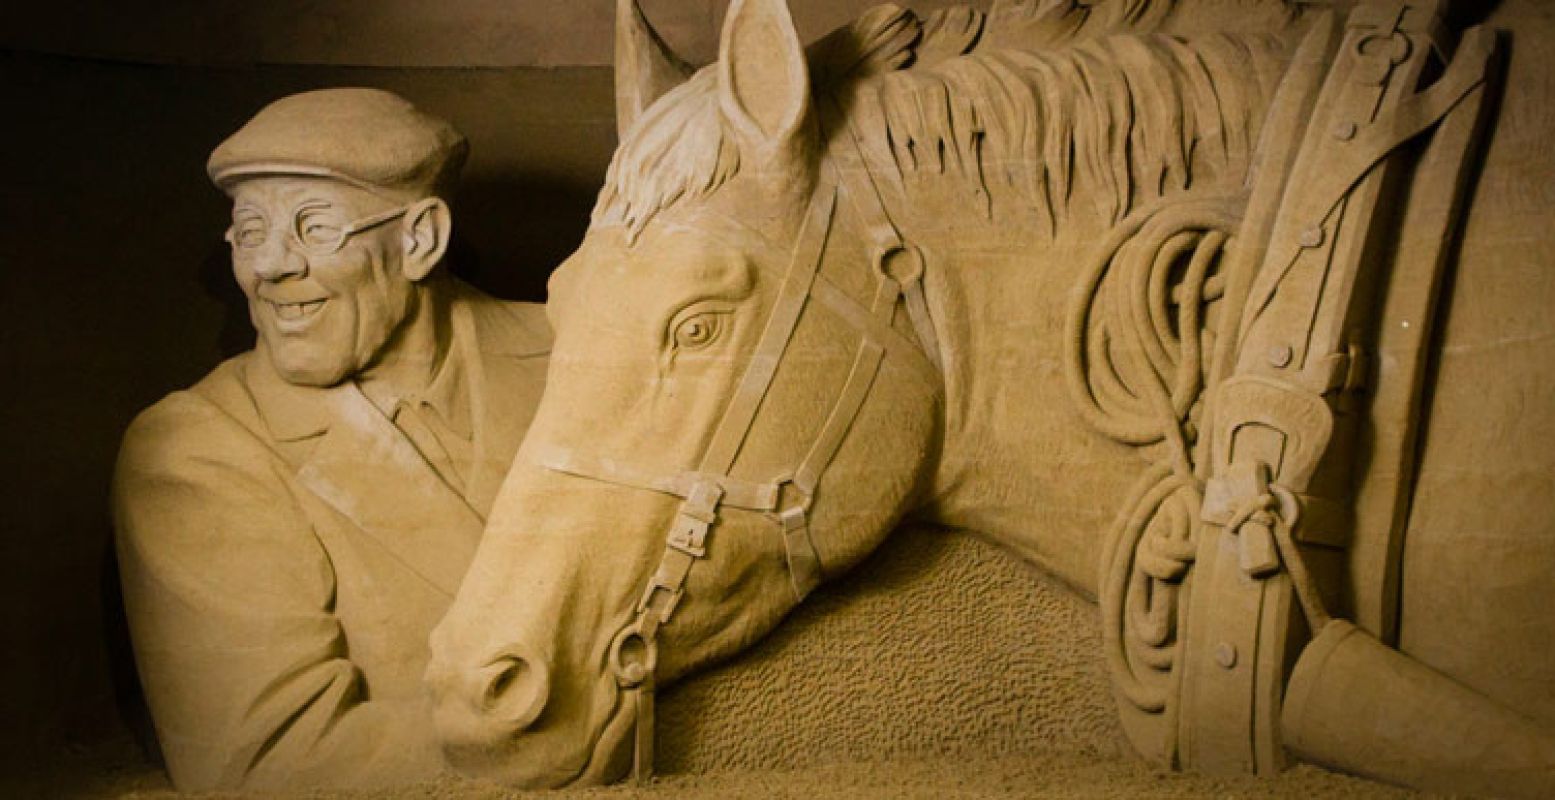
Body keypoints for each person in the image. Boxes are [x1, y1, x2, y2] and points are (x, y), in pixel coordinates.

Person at [112, 88, 550, 791]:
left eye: (313, 228)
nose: (269, 268)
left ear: (420, 239)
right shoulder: (196, 451)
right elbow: (271, 761)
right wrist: (591, 727)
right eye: (249, 233)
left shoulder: (583, 360)